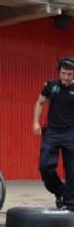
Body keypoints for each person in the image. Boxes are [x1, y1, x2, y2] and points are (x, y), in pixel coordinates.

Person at [33, 57, 74, 210]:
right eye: (63, 73)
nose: (66, 77)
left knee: (72, 170)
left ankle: (70, 204)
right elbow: (39, 102)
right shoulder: (51, 85)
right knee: (45, 167)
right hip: (52, 132)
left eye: (69, 74)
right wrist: (36, 122)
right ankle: (60, 191)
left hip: (71, 132)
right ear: (59, 72)